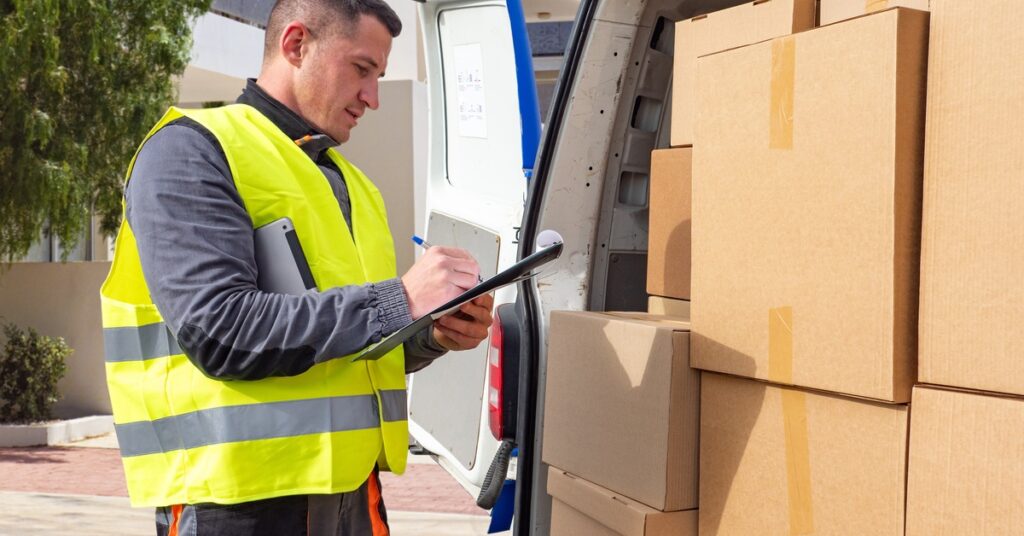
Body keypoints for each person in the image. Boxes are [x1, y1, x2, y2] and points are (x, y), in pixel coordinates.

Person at [99, 1, 494, 534]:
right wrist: (400, 299)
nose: (372, 98)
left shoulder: (355, 187)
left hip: (354, 496)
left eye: (379, 76)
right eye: (361, 69)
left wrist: (432, 333)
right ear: (295, 45)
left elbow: (351, 353)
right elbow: (220, 330)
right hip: (235, 506)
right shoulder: (191, 151)